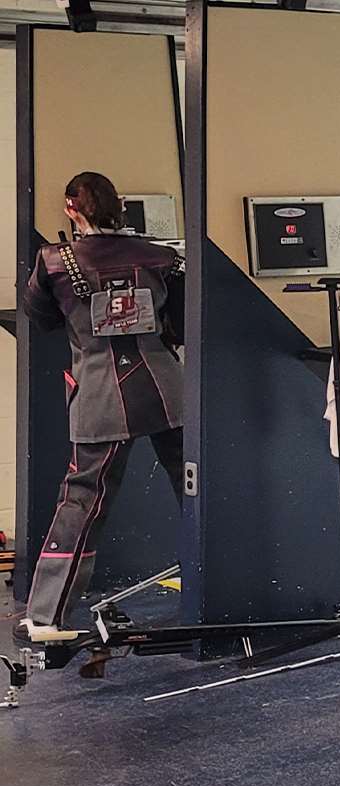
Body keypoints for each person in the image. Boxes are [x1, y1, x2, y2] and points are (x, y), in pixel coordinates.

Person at [15, 172, 187, 646]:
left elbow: (40, 316)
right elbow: (183, 323)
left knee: (80, 503)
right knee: (197, 493)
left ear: (72, 208)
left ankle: (46, 617)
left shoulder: (53, 261)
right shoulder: (161, 256)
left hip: (99, 397)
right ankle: (221, 597)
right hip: (165, 391)